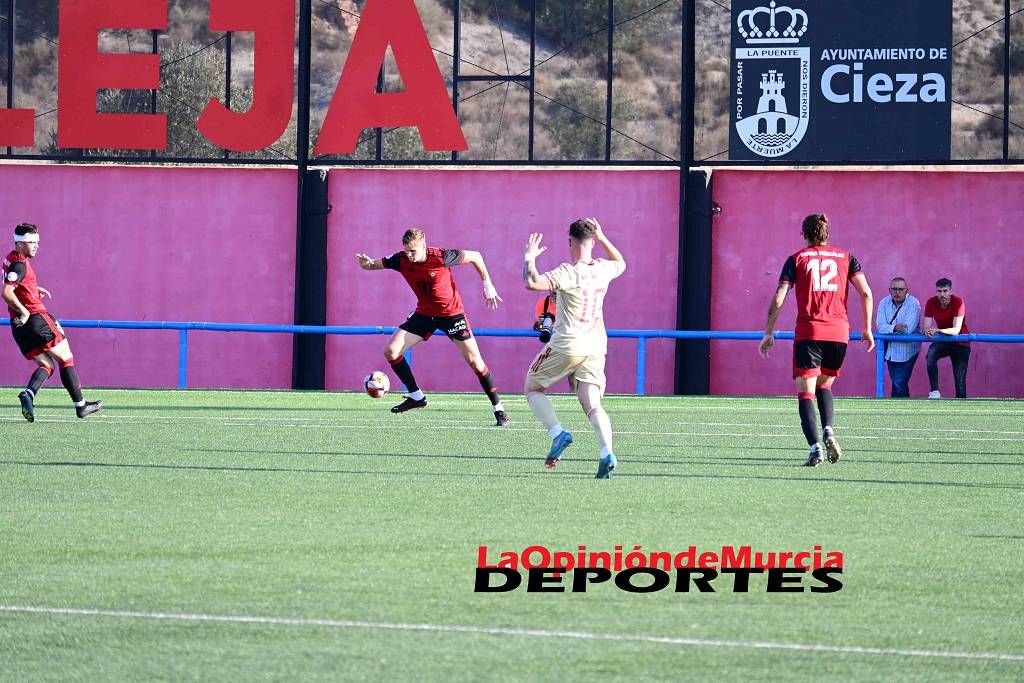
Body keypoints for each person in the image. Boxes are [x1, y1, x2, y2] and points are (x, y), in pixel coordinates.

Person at [356, 228, 510, 426]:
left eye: (414, 251)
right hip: (425, 314)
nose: (410, 255)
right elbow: (374, 265)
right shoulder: (401, 259)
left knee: (475, 363)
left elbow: (476, 256)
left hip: (452, 315)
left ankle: (499, 410)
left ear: (423, 246)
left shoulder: (441, 257)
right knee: (391, 351)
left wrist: (488, 284)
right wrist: (366, 264)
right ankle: (417, 397)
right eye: (407, 250)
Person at [759, 214, 874, 467]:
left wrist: (769, 331)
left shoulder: (797, 259)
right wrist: (867, 328)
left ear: (805, 234)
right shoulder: (847, 258)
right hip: (839, 333)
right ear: (827, 233)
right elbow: (865, 292)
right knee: (825, 386)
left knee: (806, 393)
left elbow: (779, 297)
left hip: (810, 332)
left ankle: (815, 448)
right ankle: (829, 430)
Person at [522, 218, 626, 479]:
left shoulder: (569, 272)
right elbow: (621, 263)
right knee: (592, 405)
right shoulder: (603, 268)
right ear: (593, 241)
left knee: (533, 388)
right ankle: (607, 453)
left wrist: (529, 258)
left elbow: (532, 283)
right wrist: (603, 237)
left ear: (570, 242)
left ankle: (558, 434)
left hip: (568, 342)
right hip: (595, 346)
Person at [2, 223, 102, 422]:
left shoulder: (11, 258)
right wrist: (24, 310)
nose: (36, 246)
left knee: (47, 365)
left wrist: (32, 289)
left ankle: (28, 394)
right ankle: (81, 406)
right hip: (36, 318)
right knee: (66, 358)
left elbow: (15, 283)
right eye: (32, 242)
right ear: (20, 244)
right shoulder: (20, 264)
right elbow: (6, 292)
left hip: (19, 327)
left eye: (37, 242)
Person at [875, 277, 922, 397]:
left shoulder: (913, 303)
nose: (897, 292)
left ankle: (900, 408)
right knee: (897, 383)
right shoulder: (883, 302)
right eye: (894, 289)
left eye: (900, 289)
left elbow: (908, 329)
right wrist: (895, 328)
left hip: (908, 351)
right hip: (890, 351)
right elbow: (880, 326)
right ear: (889, 290)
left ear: (907, 290)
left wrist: (889, 329)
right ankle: (900, 408)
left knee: (899, 382)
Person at [924, 277, 970, 399]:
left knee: (960, 381)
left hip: (961, 343)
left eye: (945, 291)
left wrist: (937, 330)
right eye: (939, 291)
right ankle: (934, 392)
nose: (942, 294)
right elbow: (926, 327)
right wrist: (927, 331)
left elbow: (956, 330)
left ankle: (962, 409)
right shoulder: (931, 302)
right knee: (930, 356)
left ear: (951, 291)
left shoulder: (958, 302)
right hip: (944, 340)